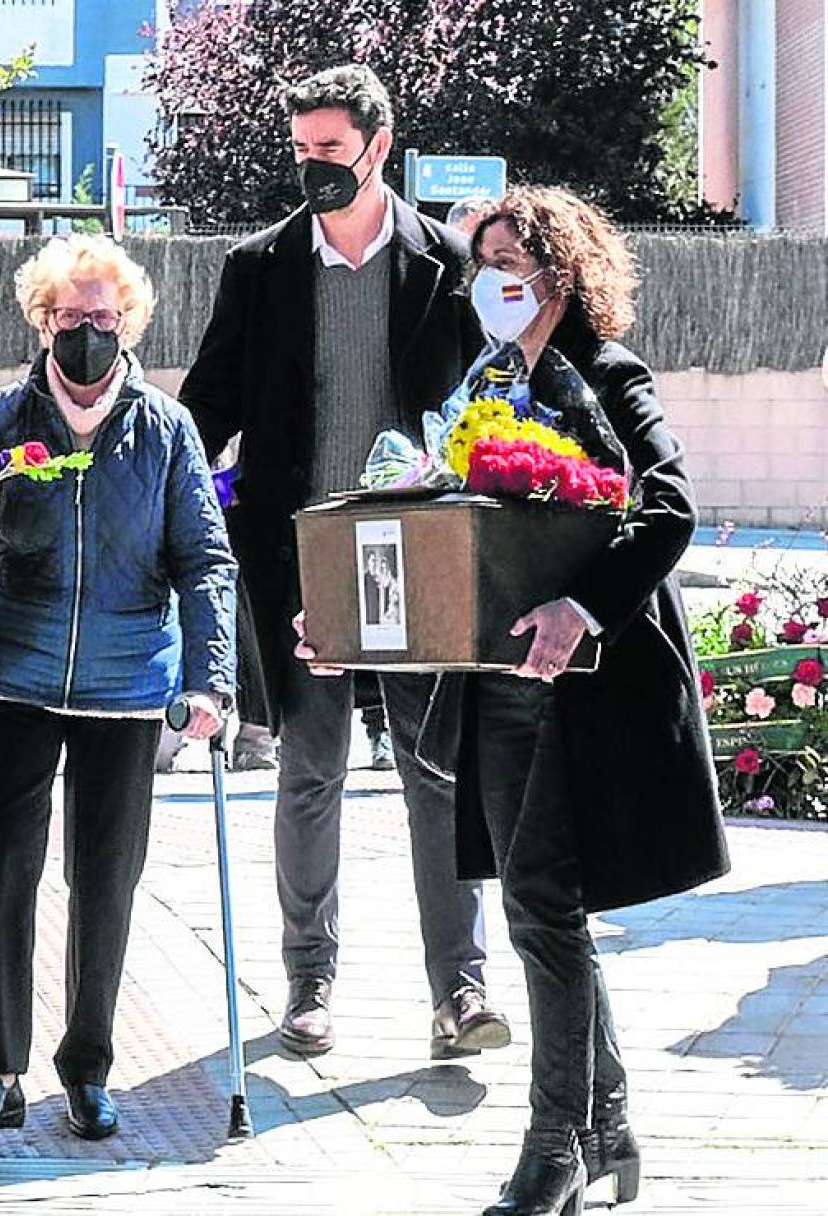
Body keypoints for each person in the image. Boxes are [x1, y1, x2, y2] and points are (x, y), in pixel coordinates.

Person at [311, 186, 731, 1216]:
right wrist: (354, 628)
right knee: (544, 908)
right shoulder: (485, 382)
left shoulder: (608, 376)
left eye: (511, 259)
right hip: (493, 681)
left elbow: (668, 504)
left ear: (561, 269)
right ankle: (612, 1123)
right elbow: (434, 520)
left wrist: (580, 606)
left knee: (546, 911)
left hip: (578, 689)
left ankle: (558, 1148)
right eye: (482, 261)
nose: (492, 279)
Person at [180, 64, 510, 1060]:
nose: (313, 167)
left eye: (331, 149)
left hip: (420, 557)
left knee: (437, 770)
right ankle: (308, 982)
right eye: (303, 151)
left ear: (378, 144)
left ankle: (460, 990)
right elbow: (208, 405)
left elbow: (496, 405)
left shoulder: (448, 265)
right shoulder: (261, 266)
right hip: (303, 557)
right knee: (309, 770)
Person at [0, 234, 237, 1141]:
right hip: (15, 675)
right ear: (41, 320)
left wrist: (210, 681)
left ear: (129, 325)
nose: (86, 334)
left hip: (124, 685)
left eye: (102, 319)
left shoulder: (166, 428)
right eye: (69, 318)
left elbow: (204, 560)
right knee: (2, 877)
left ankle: (88, 1069)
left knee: (105, 882)